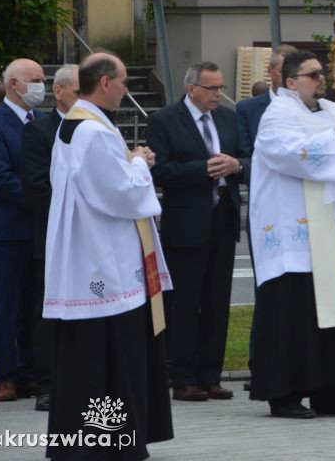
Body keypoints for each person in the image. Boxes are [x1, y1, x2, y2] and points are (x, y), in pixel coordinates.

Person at [44, 52, 173, 459]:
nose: (125, 90)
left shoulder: (77, 123)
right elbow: (122, 194)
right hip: (105, 262)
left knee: (91, 356)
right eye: (122, 82)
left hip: (90, 255)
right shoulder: (94, 132)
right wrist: (140, 163)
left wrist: (131, 164)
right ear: (103, 83)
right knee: (109, 356)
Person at [248, 49, 335, 418]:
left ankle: (331, 390)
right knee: (294, 315)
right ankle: (284, 395)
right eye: (312, 75)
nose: (321, 79)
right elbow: (285, 153)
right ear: (290, 82)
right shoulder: (277, 114)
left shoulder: (334, 111)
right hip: (297, 235)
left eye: (322, 73)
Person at [147, 62, 246, 402]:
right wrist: (201, 169)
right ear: (192, 88)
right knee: (186, 303)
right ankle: (183, 376)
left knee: (217, 301)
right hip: (186, 224)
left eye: (221, 87)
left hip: (223, 219)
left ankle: (210, 375)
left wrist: (236, 166)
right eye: (212, 88)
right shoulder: (164, 120)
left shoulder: (228, 119)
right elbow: (159, 170)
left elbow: (246, 157)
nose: (220, 94)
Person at [0, 57, 45, 402]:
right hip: (7, 230)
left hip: (39, 229)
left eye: (43, 79)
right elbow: (2, 180)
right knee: (7, 304)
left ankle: (29, 372)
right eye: (35, 79)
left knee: (35, 304)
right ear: (15, 84)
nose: (41, 85)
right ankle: (5, 376)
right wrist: (44, 200)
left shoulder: (44, 121)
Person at [236, 44, 296, 392]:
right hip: (269, 212)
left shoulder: (314, 108)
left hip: (306, 213)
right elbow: (245, 157)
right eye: (286, 70)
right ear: (272, 72)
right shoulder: (249, 109)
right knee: (269, 290)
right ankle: (261, 364)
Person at [20, 64, 79, 412]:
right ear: (58, 92)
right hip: (53, 235)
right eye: (77, 91)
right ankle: (47, 384)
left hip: (87, 240)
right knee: (49, 312)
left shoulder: (94, 126)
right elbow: (37, 186)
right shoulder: (40, 131)